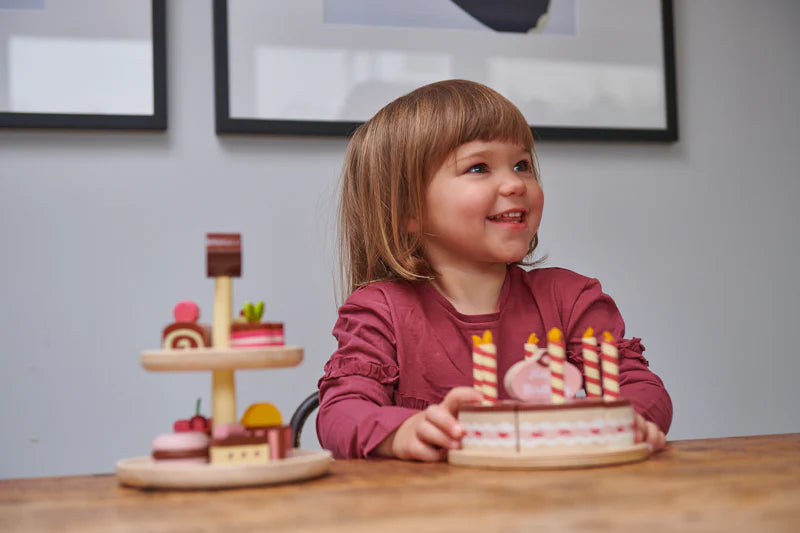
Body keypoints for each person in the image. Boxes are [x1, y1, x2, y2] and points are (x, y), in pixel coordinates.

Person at [316, 79, 671, 461]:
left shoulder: (571, 299)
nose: (514, 183)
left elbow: (640, 387)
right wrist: (400, 431)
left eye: (522, 164)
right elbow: (340, 412)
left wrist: (628, 420)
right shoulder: (381, 311)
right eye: (479, 167)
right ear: (407, 211)